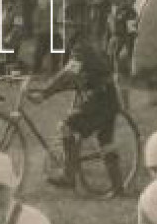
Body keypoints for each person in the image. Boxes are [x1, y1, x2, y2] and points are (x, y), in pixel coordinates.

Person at [31, 33, 127, 196]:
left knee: (67, 127)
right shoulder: (91, 45)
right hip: (109, 98)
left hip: (100, 99)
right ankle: (118, 189)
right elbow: (76, 79)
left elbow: (68, 73)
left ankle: (68, 176)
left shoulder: (80, 48)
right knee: (106, 143)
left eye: (65, 25)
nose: (62, 30)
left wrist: (45, 93)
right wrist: (49, 92)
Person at [105, 0, 138, 106]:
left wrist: (127, 49)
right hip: (112, 44)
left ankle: (125, 105)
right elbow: (108, 31)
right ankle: (114, 103)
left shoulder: (130, 12)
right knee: (113, 74)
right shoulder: (112, 11)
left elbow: (132, 32)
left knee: (122, 75)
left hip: (123, 43)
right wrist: (106, 46)